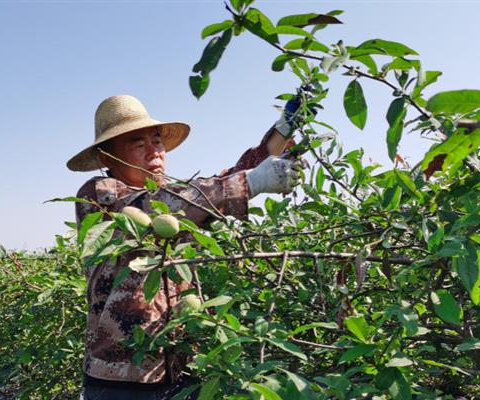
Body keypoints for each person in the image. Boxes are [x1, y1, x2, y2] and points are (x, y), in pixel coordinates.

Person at [67, 94, 308, 399]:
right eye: (138, 144)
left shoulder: (181, 200)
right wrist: (252, 182)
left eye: (157, 141)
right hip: (120, 379)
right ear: (106, 158)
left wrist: (283, 131)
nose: (154, 151)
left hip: (180, 369)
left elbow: (217, 187)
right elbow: (155, 207)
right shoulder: (98, 196)